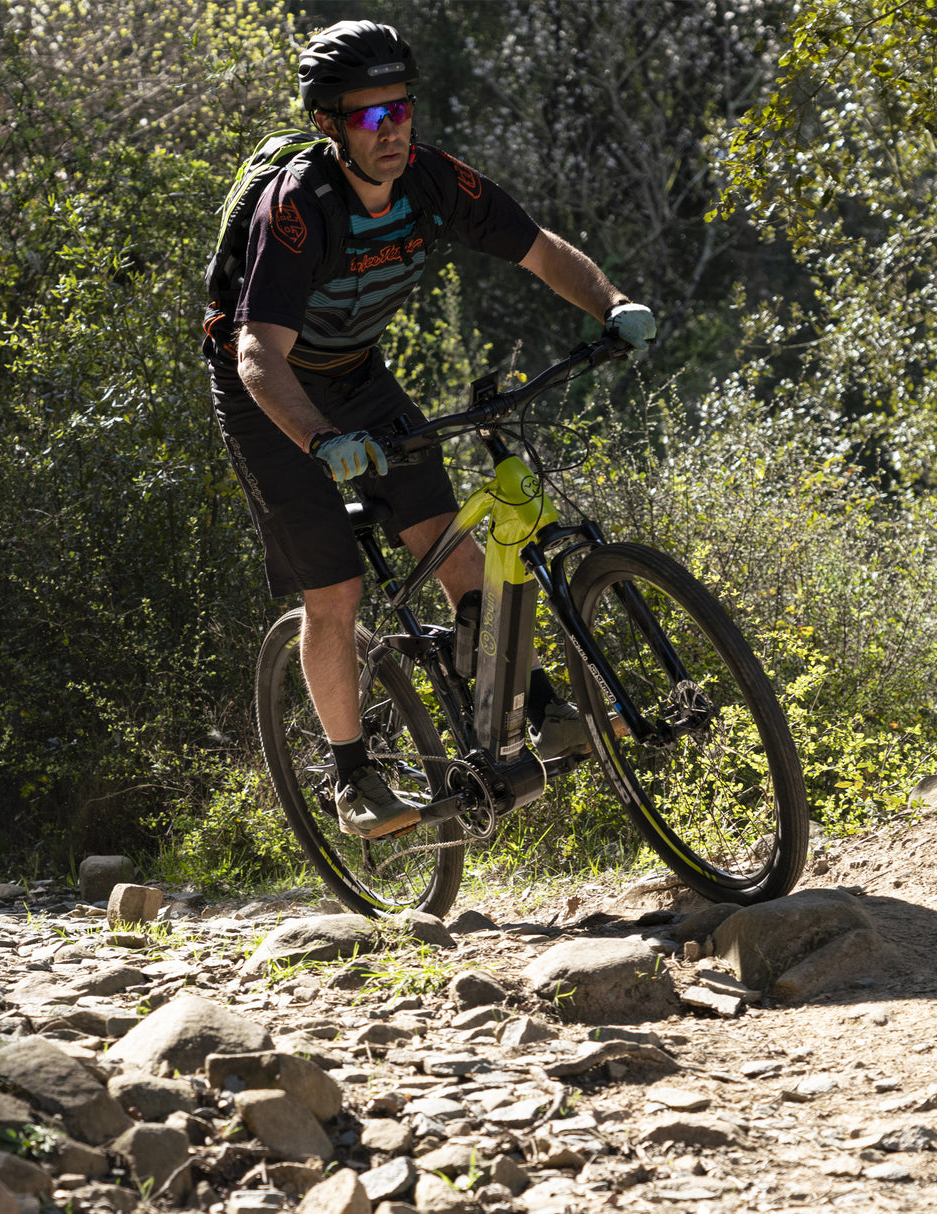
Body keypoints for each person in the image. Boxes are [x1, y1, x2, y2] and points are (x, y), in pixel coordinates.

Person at [204, 20, 655, 840]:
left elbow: (541, 251)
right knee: (335, 592)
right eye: (372, 118)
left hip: (356, 375)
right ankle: (353, 777)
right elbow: (256, 354)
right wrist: (317, 440)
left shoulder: (435, 182)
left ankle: (540, 707)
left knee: (448, 544)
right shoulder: (298, 211)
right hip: (269, 397)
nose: (393, 131)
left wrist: (612, 304)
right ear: (329, 126)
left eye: (402, 110)